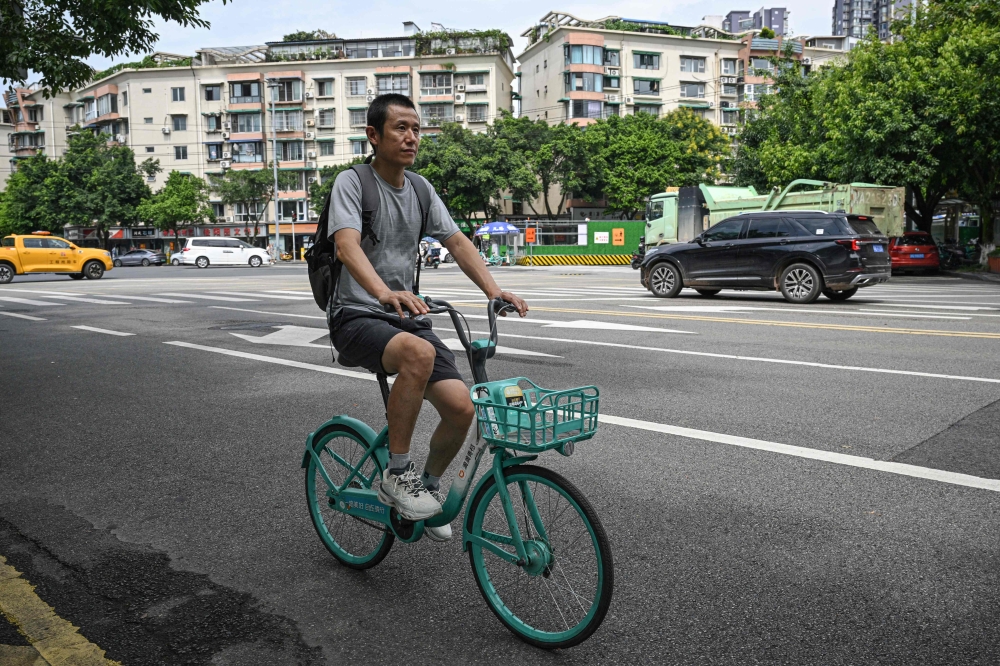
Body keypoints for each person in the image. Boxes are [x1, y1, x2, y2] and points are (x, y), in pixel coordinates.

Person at [328, 94, 528, 541]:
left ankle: (430, 490)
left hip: (403, 315)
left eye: (416, 129)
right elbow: (346, 245)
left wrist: (494, 291)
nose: (411, 137)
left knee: (462, 408)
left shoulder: (420, 189)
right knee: (417, 354)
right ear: (374, 136)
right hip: (356, 314)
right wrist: (382, 292)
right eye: (400, 128)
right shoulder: (353, 183)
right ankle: (398, 474)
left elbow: (456, 241)